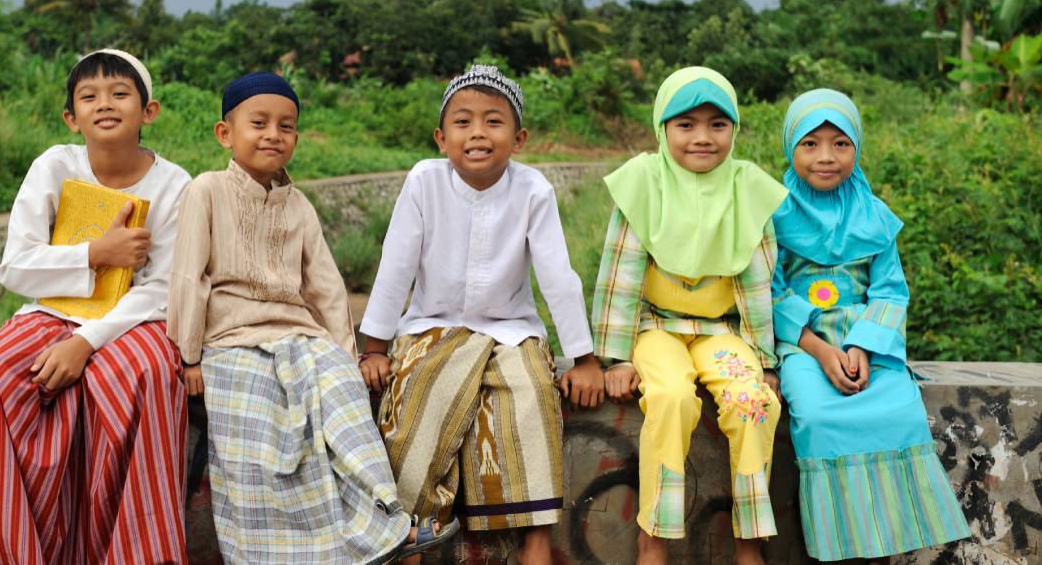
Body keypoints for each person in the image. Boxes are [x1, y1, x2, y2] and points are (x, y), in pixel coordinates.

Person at [166, 71, 457, 564]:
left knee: (345, 405)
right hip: (230, 342)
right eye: (258, 123)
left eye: (285, 126)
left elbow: (325, 287)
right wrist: (188, 356)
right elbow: (188, 277)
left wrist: (347, 356)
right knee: (259, 429)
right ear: (225, 133)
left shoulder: (299, 205)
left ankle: (388, 527)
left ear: (296, 138)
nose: (272, 134)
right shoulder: (206, 191)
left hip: (302, 336)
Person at [359, 64, 604, 565]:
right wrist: (374, 348)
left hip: (512, 330)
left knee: (533, 393)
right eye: (463, 122)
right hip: (433, 325)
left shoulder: (534, 189)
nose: (477, 134)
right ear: (441, 136)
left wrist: (583, 358)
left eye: (494, 122)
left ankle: (535, 542)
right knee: (417, 400)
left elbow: (558, 276)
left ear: (519, 138)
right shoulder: (424, 181)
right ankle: (407, 533)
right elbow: (396, 263)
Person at [0, 48, 192, 564]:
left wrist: (85, 343)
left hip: (137, 317)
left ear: (148, 111)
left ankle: (140, 553)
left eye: (120, 93)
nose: (104, 104)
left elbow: (163, 289)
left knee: (140, 377)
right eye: (89, 96)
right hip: (52, 311)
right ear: (72, 117)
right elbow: (15, 265)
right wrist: (95, 254)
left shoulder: (176, 185)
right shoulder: (55, 166)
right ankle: (16, 551)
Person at [594, 66, 787, 565]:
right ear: (662, 129)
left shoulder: (748, 189)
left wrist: (766, 360)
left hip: (721, 331)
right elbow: (621, 275)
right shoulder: (644, 183)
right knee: (672, 397)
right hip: (656, 327)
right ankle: (653, 536)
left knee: (754, 404)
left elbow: (757, 284)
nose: (702, 137)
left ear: (735, 130)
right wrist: (616, 358)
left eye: (717, 125)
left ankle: (749, 539)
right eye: (686, 124)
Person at [772, 88, 970, 563]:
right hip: (803, 346)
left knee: (899, 411)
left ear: (857, 147)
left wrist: (861, 345)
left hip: (870, 345)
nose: (826, 157)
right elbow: (770, 293)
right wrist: (821, 351)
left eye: (841, 143)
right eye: (810, 143)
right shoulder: (771, 213)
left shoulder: (874, 216)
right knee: (817, 417)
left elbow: (889, 291)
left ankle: (884, 545)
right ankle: (838, 546)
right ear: (789, 147)